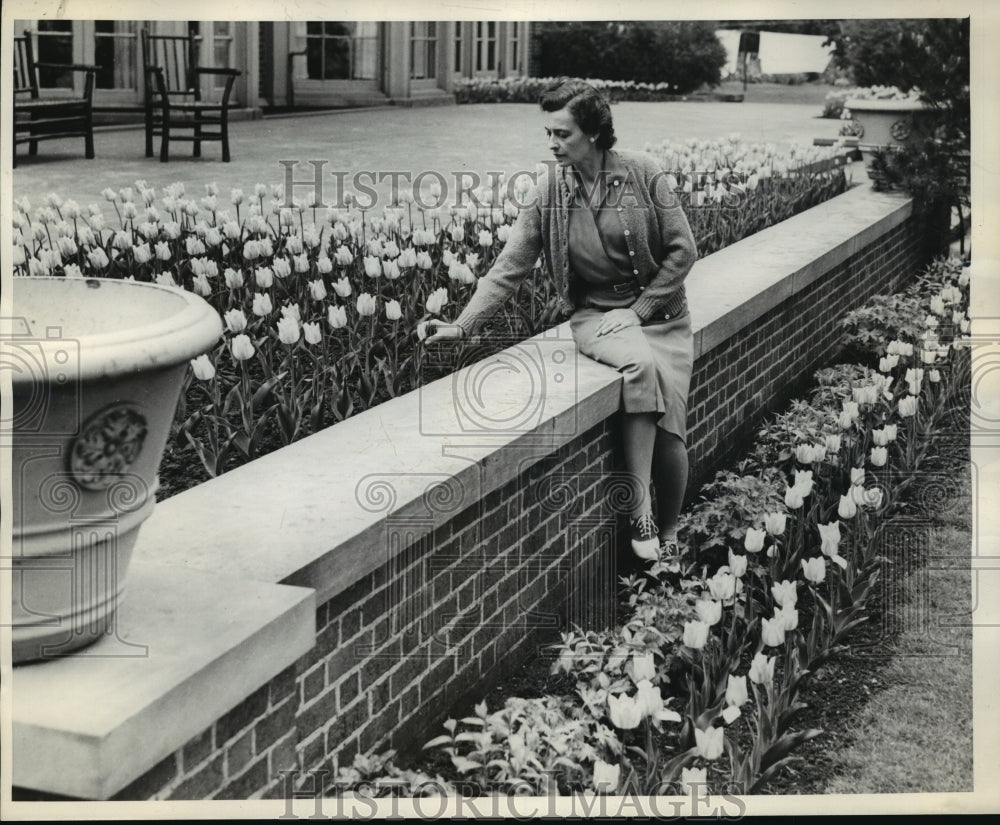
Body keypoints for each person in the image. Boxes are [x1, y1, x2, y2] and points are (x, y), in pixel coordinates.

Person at [422, 78, 697, 561]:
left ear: (593, 133)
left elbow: (683, 249)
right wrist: (462, 325)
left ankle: (670, 535)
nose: (552, 143)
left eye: (563, 134)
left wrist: (641, 310)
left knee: (672, 425)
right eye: (548, 133)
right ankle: (641, 513)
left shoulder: (643, 173)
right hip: (597, 317)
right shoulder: (548, 191)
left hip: (662, 316)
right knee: (640, 369)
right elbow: (511, 266)